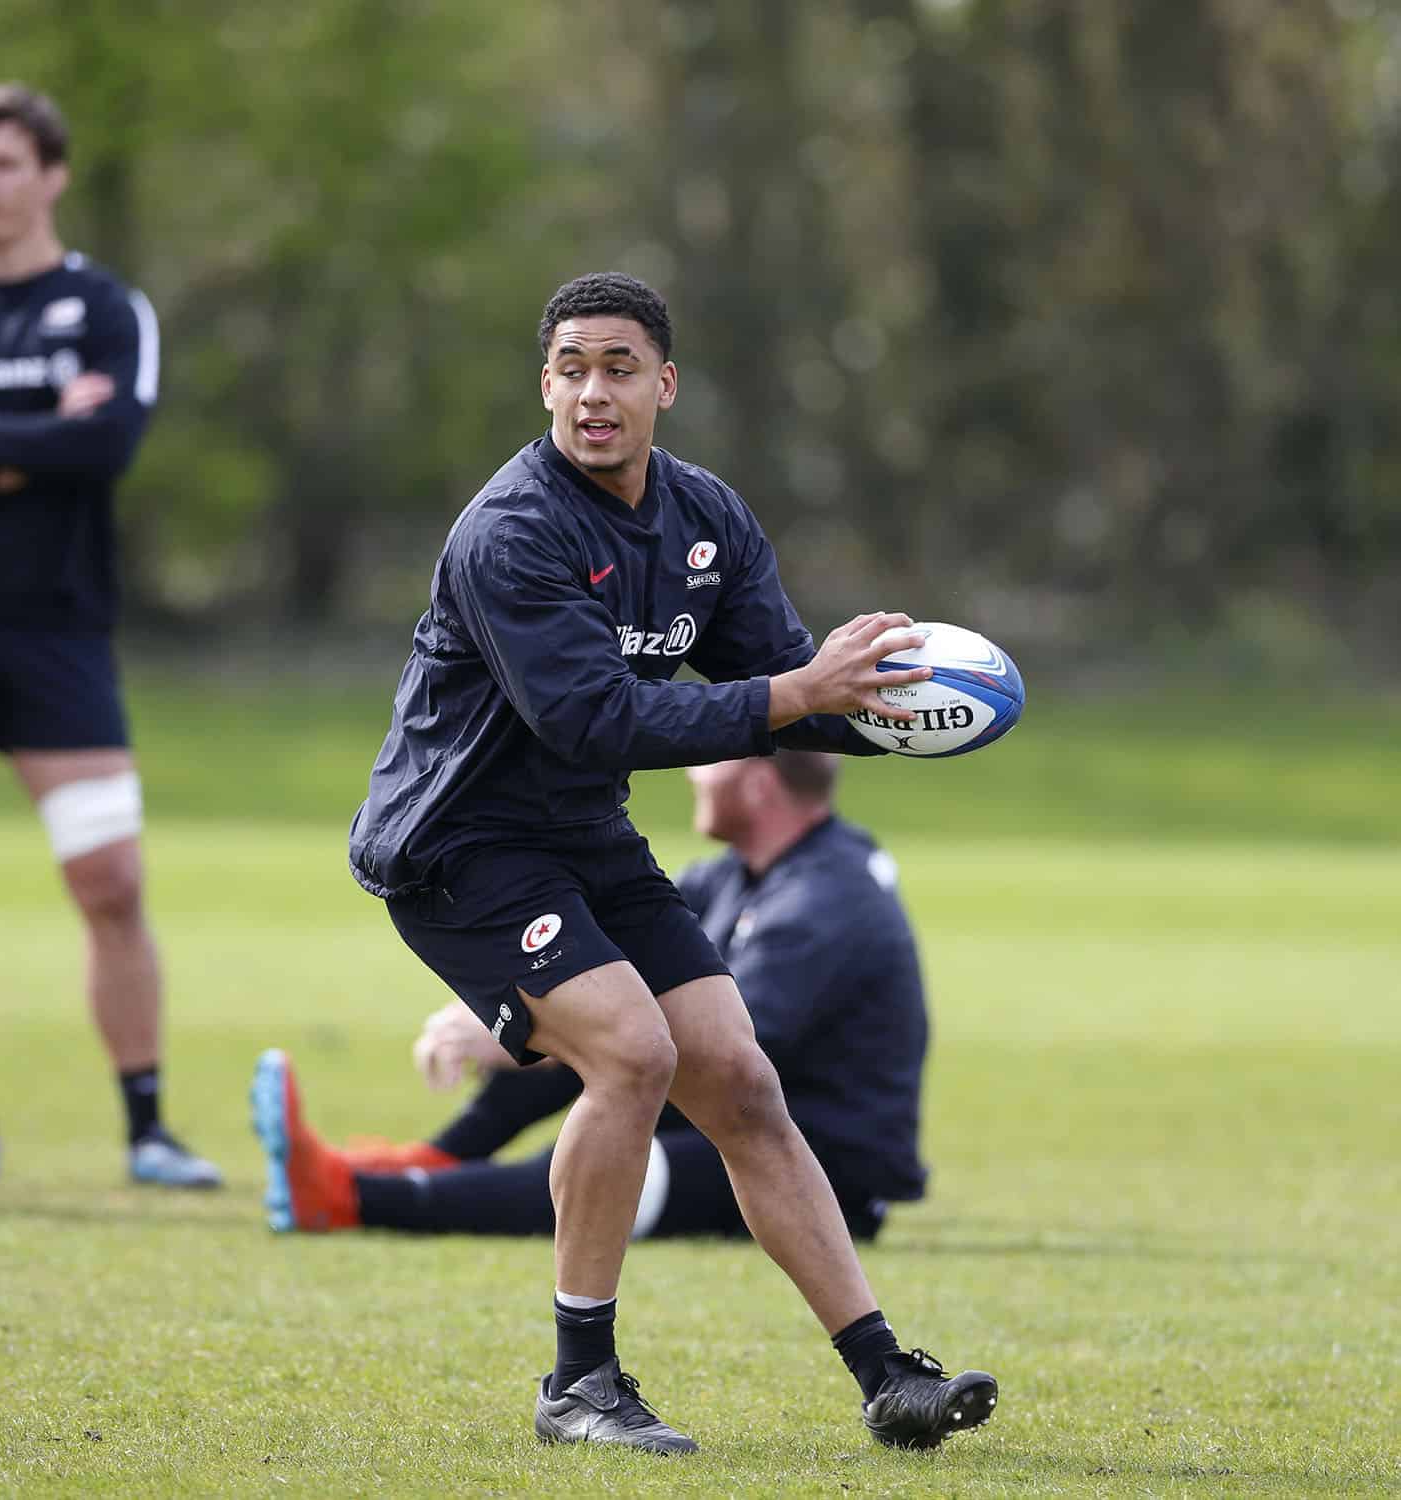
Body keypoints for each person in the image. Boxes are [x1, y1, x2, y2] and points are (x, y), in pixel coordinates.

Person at [253, 272, 996, 1453]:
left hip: (583, 840)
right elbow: (592, 722)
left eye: (618, 369)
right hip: (460, 847)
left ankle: (885, 1373)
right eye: (570, 369)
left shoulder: (706, 520)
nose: (593, 393)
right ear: (545, 383)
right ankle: (578, 1385)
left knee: (740, 1081)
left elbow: (777, 687)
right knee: (636, 1053)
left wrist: (885, 709)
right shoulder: (514, 530)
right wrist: (793, 694)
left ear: (666, 384)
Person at [0, 83, 220, 1189]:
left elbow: (110, 447)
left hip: (59, 639)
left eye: (4, 164)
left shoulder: (102, 308)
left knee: (112, 881)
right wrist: (38, 438)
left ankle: (146, 1129)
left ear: (51, 177)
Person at [254, 750, 931, 1245]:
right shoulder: (740, 875)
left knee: (603, 1158)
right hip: (719, 1119)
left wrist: (523, 1040)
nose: (694, 769)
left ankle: (348, 1195)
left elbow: (727, 1049)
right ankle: (432, 1161)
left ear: (756, 784)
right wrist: (505, 1008)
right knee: (591, 1034)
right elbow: (596, 963)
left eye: (713, 759)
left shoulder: (824, 899)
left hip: (821, 1161)